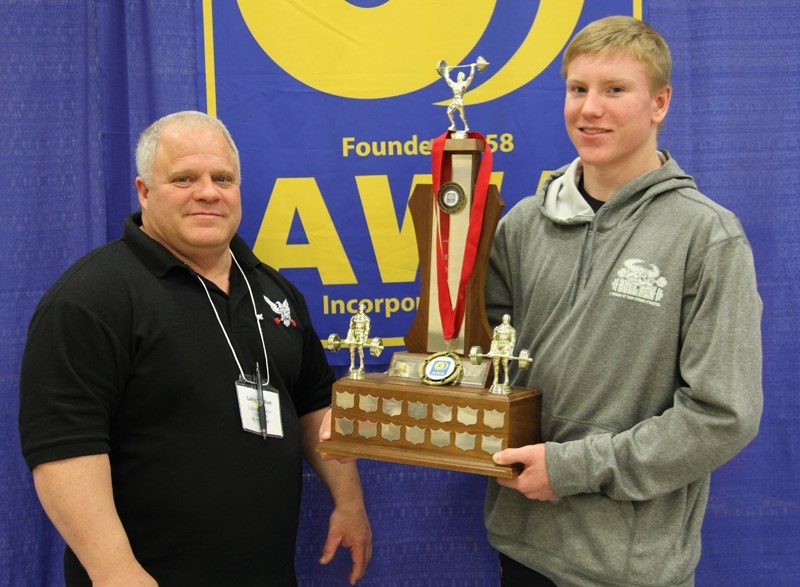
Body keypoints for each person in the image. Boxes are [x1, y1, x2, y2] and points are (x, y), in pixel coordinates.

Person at [19, 111, 372, 586]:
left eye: (222, 178)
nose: (208, 192)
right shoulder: (91, 299)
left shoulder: (275, 293)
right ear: (145, 192)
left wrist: (348, 502)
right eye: (184, 178)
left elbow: (313, 404)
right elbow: (64, 450)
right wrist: (116, 573)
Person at [484, 16, 763, 586]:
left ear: (659, 103)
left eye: (615, 90)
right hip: (523, 544)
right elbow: (488, 366)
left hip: (630, 566)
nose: (589, 109)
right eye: (577, 89)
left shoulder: (706, 237)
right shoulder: (521, 226)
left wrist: (571, 468)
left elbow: (723, 415)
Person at [443, 63, 476, 132]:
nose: (458, 77)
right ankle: (453, 125)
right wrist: (446, 70)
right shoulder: (454, 84)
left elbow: (471, 76)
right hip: (455, 100)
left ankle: (466, 126)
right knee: (449, 112)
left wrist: (472, 67)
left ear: (462, 77)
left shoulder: (464, 84)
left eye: (459, 76)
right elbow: (447, 78)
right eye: (458, 75)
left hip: (460, 101)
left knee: (462, 115)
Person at [345, 302, 370, 375]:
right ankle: (352, 365)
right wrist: (348, 338)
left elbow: (367, 329)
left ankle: (361, 365)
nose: (360, 309)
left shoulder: (366, 319)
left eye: (362, 308)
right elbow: (350, 328)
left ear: (364, 309)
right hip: (353, 334)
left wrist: (365, 339)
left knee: (360, 350)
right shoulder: (353, 317)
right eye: (360, 307)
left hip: (361, 335)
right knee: (352, 351)